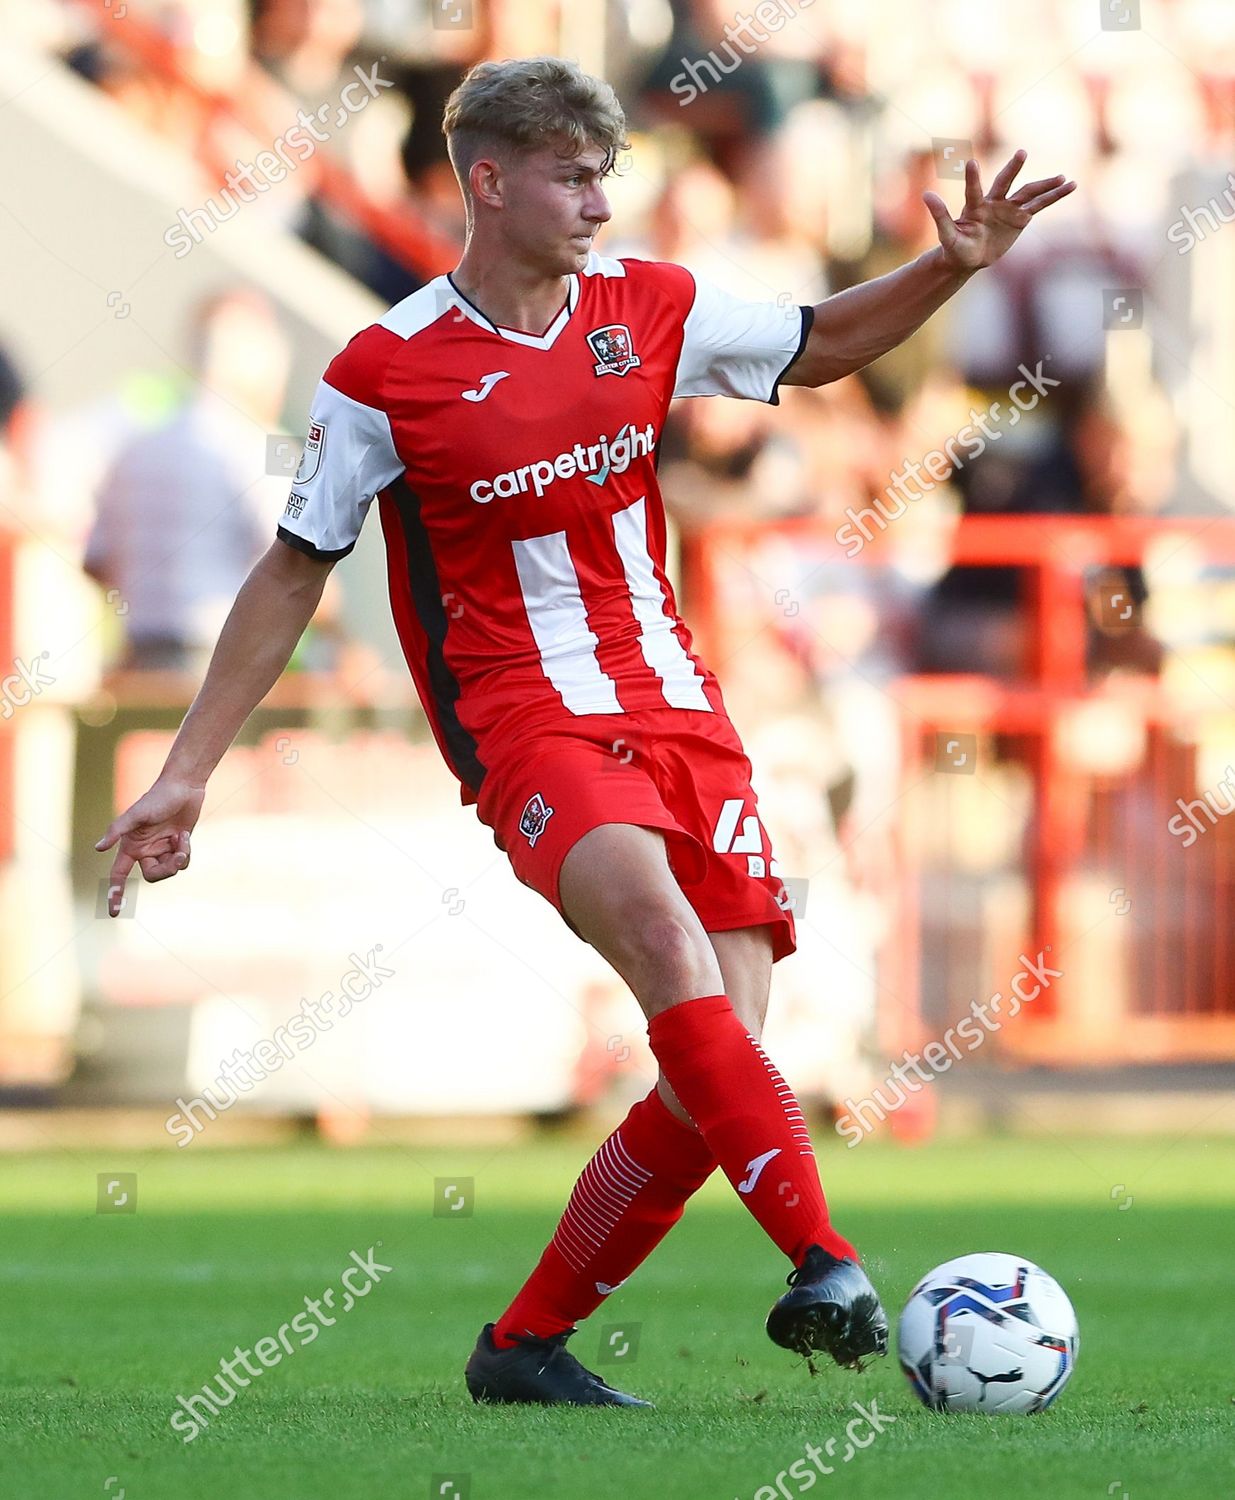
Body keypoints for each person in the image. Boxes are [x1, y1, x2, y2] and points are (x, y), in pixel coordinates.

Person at [94, 56, 1074, 1407]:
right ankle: (824, 1256)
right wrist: (187, 769)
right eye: (574, 175)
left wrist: (948, 267)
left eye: (608, 174)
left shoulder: (649, 308)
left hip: (679, 707)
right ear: (489, 182)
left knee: (719, 1044)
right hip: (527, 724)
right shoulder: (382, 375)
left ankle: (524, 1349)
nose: (602, 202)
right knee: (670, 955)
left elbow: (823, 343)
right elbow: (293, 566)